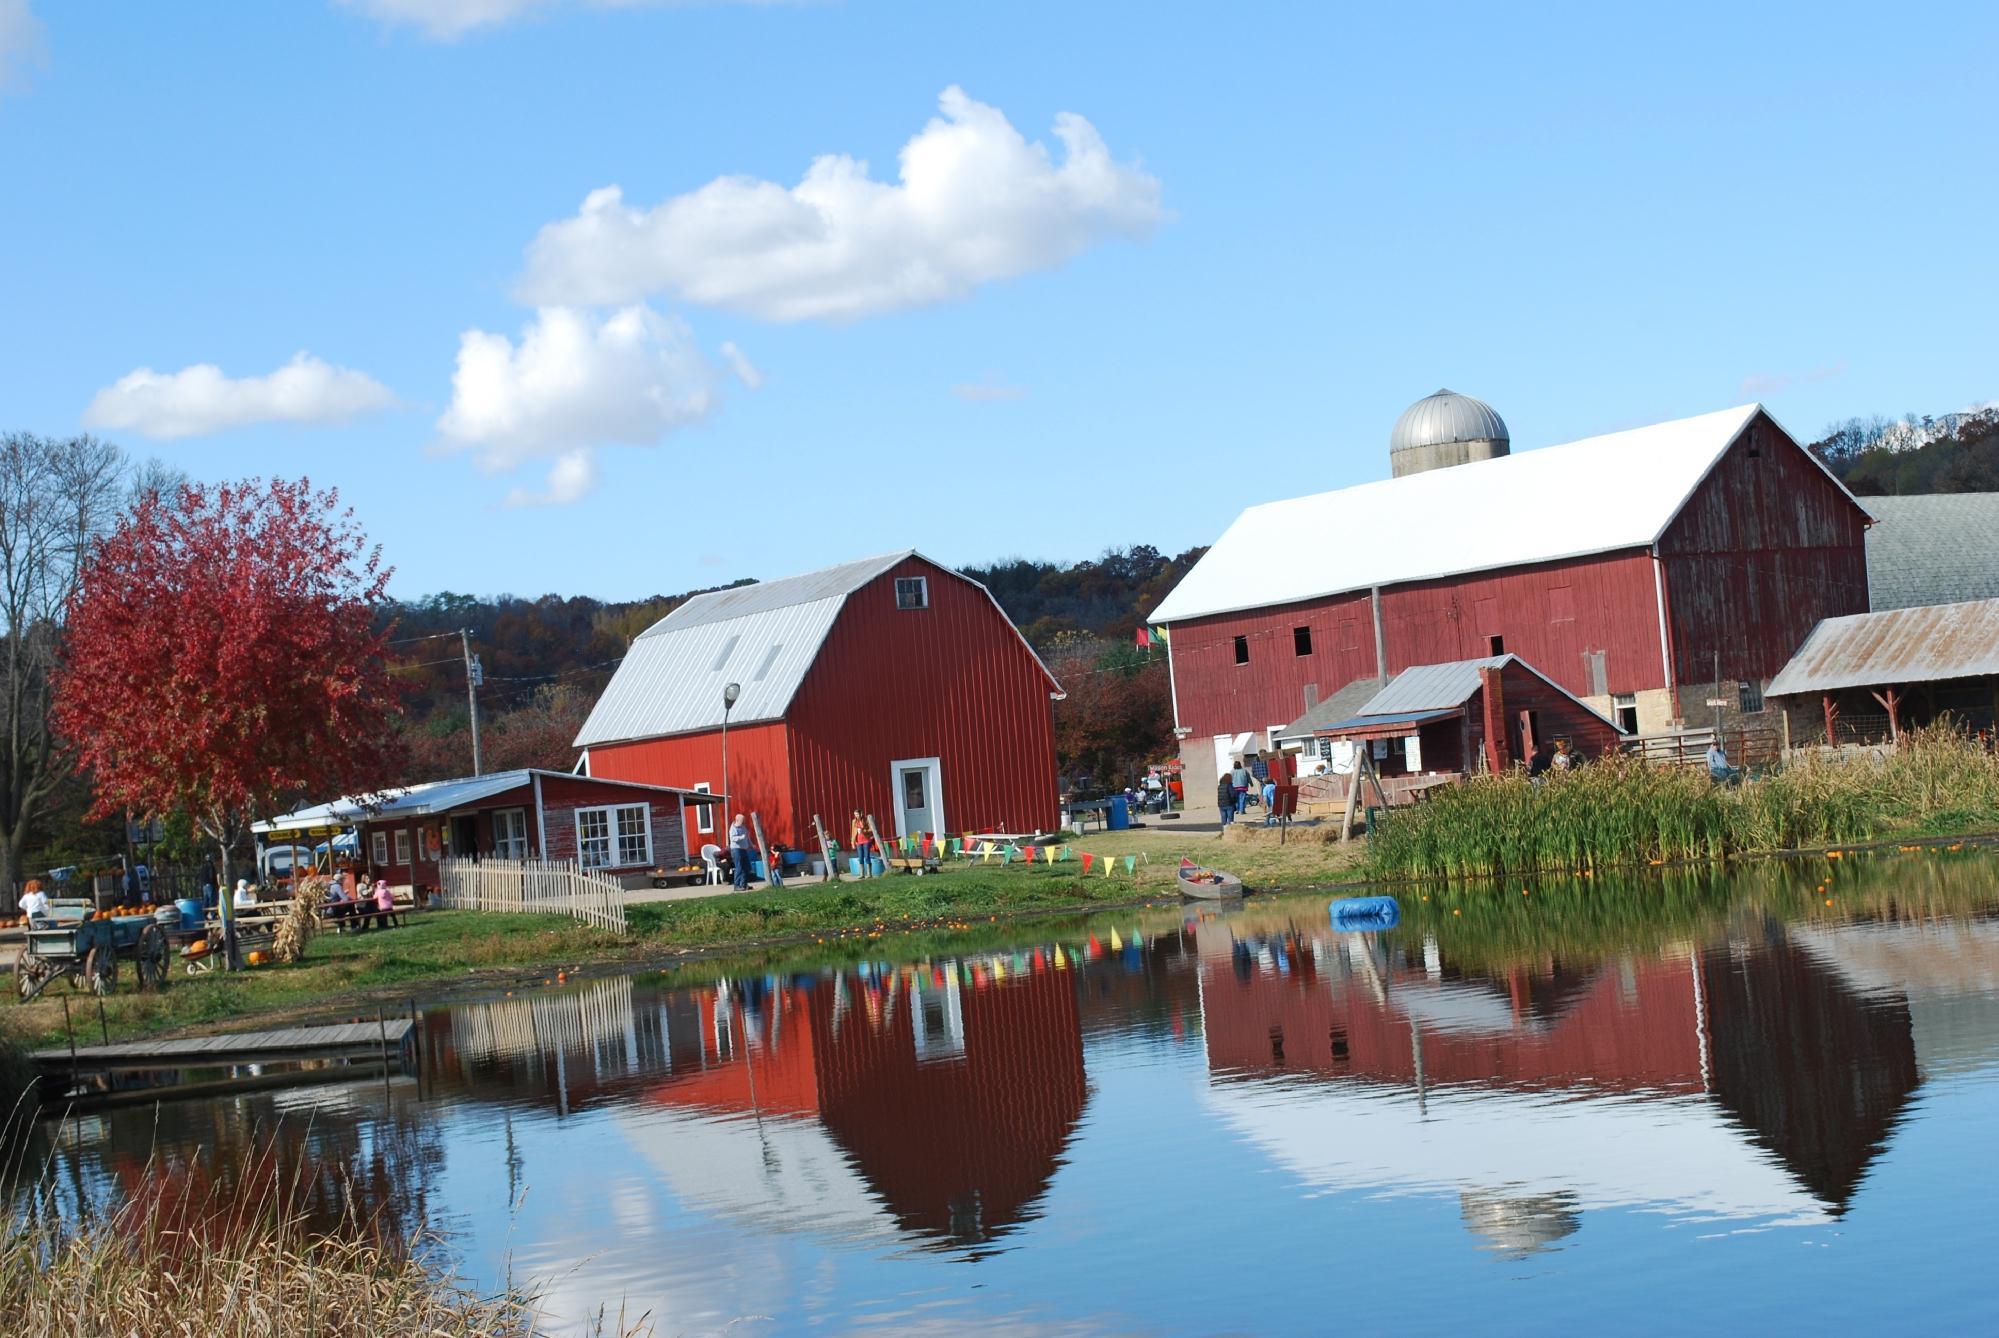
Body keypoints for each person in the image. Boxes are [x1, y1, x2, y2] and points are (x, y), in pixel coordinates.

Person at [728, 814, 754, 890]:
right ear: (737, 820)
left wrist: (751, 844)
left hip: (744, 849)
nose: (743, 822)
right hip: (736, 850)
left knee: (746, 867)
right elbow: (732, 839)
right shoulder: (733, 828)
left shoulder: (743, 827)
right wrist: (740, 837)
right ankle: (736, 886)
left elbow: (747, 837)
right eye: (742, 820)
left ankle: (743, 885)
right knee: (739, 867)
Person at [849, 810, 874, 879]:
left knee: (867, 856)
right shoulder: (854, 821)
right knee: (860, 857)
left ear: (861, 814)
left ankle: (869, 874)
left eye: (857, 814)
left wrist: (864, 831)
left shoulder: (865, 820)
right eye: (855, 814)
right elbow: (853, 832)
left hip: (866, 840)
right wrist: (852, 842)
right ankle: (862, 874)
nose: (856, 815)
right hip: (858, 842)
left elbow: (871, 829)